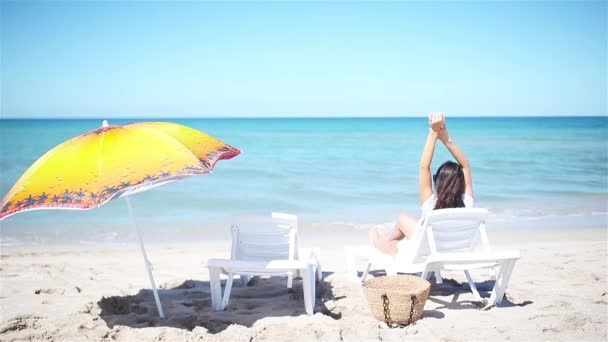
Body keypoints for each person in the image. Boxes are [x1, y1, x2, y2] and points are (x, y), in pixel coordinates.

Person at [370, 112, 474, 255]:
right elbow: (466, 165)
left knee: (382, 230)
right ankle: (390, 238)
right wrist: (446, 139)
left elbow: (424, 166)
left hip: (428, 250)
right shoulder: (467, 204)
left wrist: (433, 132)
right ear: (461, 183)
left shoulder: (431, 205)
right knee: (403, 222)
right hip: (453, 249)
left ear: (438, 183)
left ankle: (386, 240)